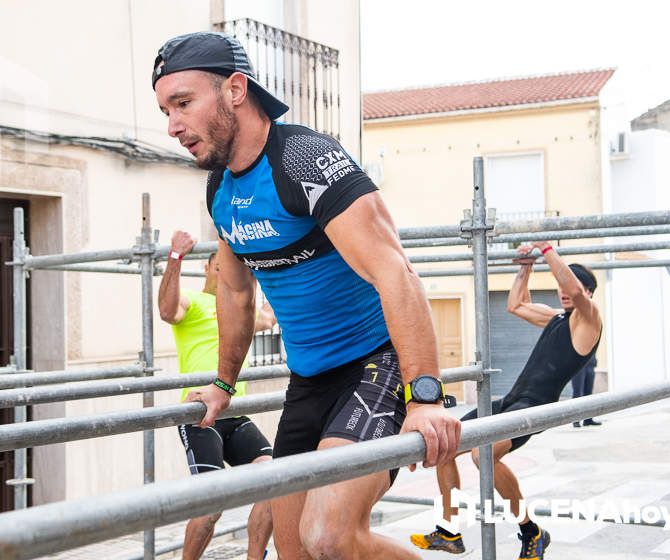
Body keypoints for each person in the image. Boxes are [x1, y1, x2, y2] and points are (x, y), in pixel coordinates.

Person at [153, 31, 460, 560]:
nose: (173, 124)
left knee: (330, 536)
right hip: (309, 379)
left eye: (183, 103)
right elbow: (234, 290)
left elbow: (396, 273)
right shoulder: (219, 188)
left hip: (375, 363)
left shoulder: (305, 160)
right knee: (293, 550)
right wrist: (223, 384)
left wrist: (426, 398)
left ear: (234, 89)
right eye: (165, 109)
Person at [410, 243, 602, 560]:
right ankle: (449, 531)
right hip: (511, 399)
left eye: (574, 288)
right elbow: (516, 305)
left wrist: (546, 250)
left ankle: (531, 532)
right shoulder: (557, 317)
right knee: (446, 446)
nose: (566, 293)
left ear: (589, 292)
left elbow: (576, 293)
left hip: (535, 407)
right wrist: (525, 268)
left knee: (483, 453)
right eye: (562, 288)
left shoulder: (589, 319)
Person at [159, 230, 276, 560]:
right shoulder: (194, 303)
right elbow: (168, 311)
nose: (228, 269)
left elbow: (269, 316)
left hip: (235, 414)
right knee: (212, 505)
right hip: (200, 416)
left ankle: (256, 557)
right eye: (221, 264)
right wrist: (175, 257)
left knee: (276, 479)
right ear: (208, 269)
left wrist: (264, 264)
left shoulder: (242, 309)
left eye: (234, 265)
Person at [571, 355, 601, 427]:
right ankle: (576, 420)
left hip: (590, 364)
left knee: (588, 393)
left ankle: (588, 419)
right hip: (578, 366)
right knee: (578, 393)